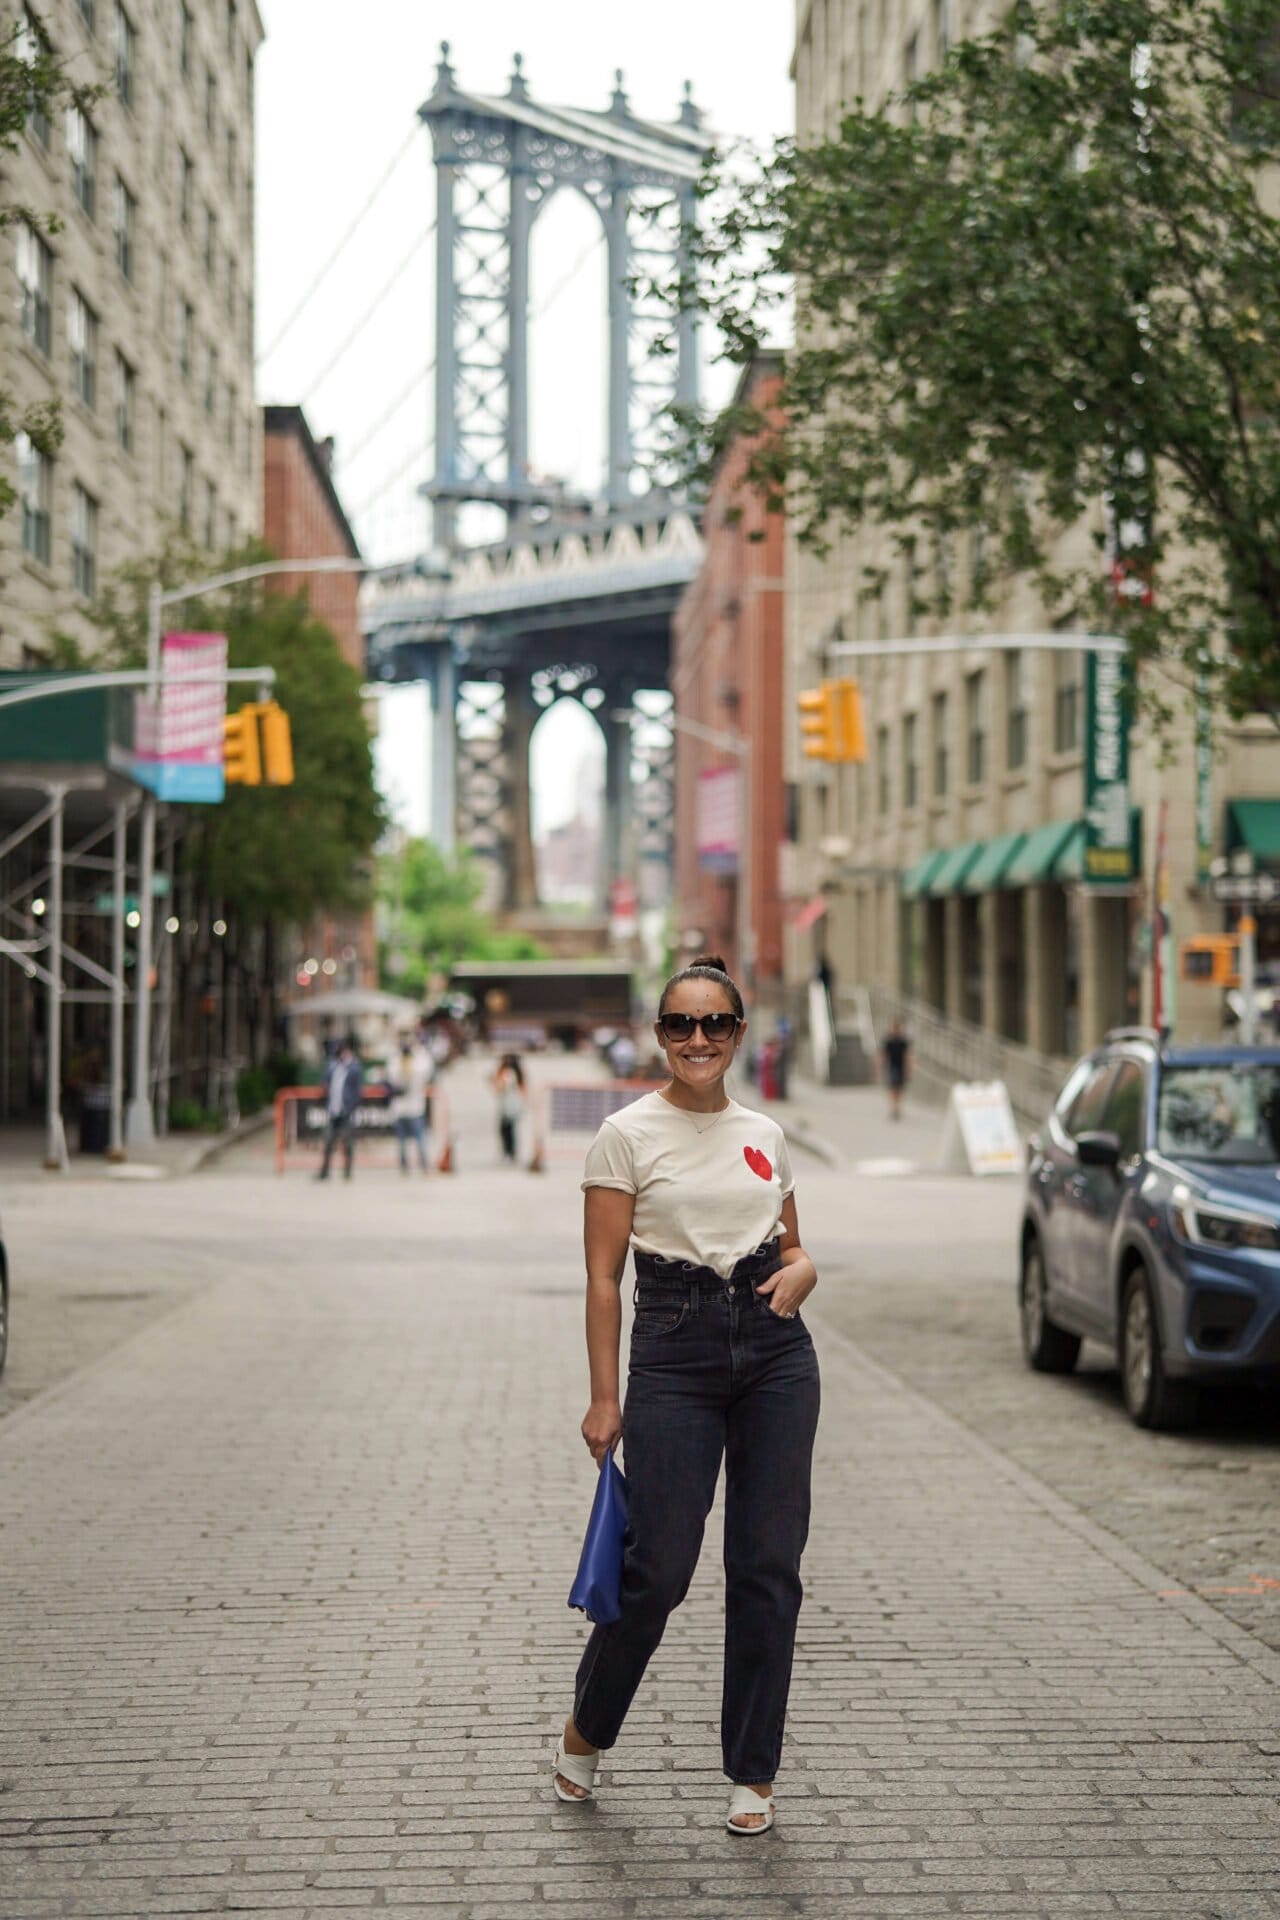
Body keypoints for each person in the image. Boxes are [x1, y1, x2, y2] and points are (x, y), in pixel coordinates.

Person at [552, 952, 821, 1836]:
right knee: (658, 1568)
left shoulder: (766, 1133)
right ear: (659, 1034)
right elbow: (601, 1283)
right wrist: (604, 1397)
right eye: (679, 1024)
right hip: (672, 1350)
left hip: (776, 1354)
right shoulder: (625, 1135)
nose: (696, 1039)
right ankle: (588, 1731)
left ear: (738, 1034)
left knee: (766, 1568)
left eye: (714, 1024)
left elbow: (790, 1246)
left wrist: (806, 1269)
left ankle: (753, 1773)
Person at [316, 1035, 362, 1180]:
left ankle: (347, 1172)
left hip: (346, 1111)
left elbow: (357, 1089)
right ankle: (325, 1172)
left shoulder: (354, 1066)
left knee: (348, 1143)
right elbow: (325, 1081)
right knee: (328, 1141)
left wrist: (352, 1106)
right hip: (333, 1109)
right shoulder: (332, 1065)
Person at [389, 1033, 434, 1175]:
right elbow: (427, 1066)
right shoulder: (418, 1067)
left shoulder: (396, 1067)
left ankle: (405, 1167)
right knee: (419, 1139)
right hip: (413, 1109)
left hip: (403, 1109)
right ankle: (424, 1165)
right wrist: (417, 1049)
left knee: (403, 1141)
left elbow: (391, 1075)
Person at [493, 1052, 525, 1163]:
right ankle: (510, 1152)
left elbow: (501, 1088)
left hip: (509, 1105)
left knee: (506, 1130)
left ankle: (509, 1152)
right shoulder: (516, 1073)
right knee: (509, 1130)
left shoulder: (507, 1073)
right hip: (511, 1104)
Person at [881, 1019, 910, 1120]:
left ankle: (897, 1108)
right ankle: (893, 1108)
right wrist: (881, 1066)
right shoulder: (888, 1041)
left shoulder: (903, 1042)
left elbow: (907, 1056)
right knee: (893, 1089)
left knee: (899, 1090)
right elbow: (884, 1055)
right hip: (892, 1068)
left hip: (900, 1068)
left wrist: (908, 1069)